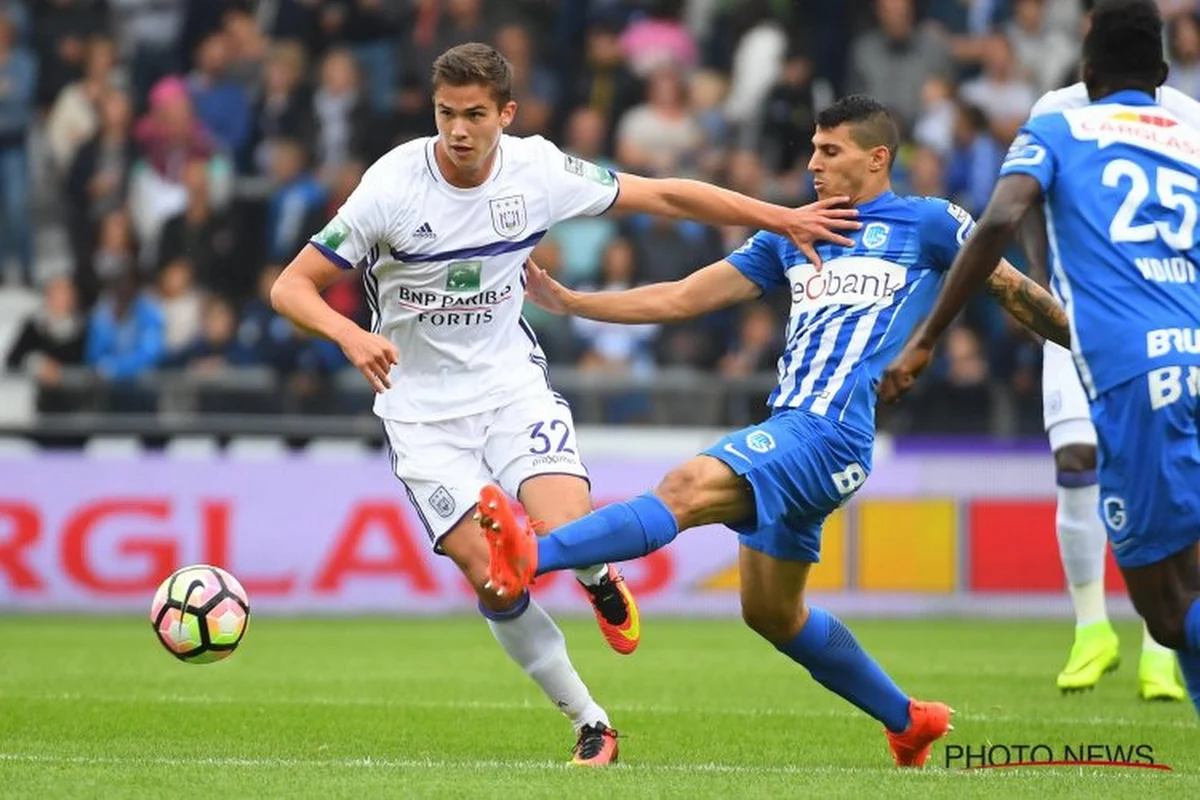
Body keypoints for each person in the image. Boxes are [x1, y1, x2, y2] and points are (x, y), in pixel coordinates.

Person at [269, 42, 859, 766]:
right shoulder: (391, 186)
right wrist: (347, 335)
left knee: (565, 526)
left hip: (510, 385)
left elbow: (667, 193)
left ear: (506, 115)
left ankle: (595, 574)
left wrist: (780, 218)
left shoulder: (539, 170)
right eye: (446, 113)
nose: (458, 130)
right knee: (495, 578)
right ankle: (592, 721)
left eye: (476, 115)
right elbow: (290, 287)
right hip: (420, 409)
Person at [477, 95, 1070, 767]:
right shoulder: (793, 233)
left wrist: (1088, 349)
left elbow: (1014, 290)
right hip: (793, 429)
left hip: (831, 432)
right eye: (813, 149)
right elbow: (683, 297)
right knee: (770, 613)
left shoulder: (926, 222)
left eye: (830, 151)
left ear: (877, 159)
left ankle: (531, 557)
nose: (813, 163)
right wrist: (578, 303)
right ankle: (908, 721)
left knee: (686, 487)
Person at [881, 0, 1200, 715]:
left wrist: (929, 335)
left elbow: (1000, 216)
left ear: (1086, 64)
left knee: (1170, 611)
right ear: (1161, 67)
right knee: (1181, 575)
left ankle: (1129, 638)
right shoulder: (1190, 129)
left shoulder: (1059, 119)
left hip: (1126, 360)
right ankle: (1101, 635)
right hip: (1185, 344)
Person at [1017, 27, 1200, 702]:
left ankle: (1160, 646)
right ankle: (1091, 628)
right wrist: (1043, 285)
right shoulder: (1055, 109)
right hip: (1077, 317)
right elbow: (1026, 200)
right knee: (1074, 460)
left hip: (1162, 326)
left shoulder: (1186, 118)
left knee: (1168, 485)